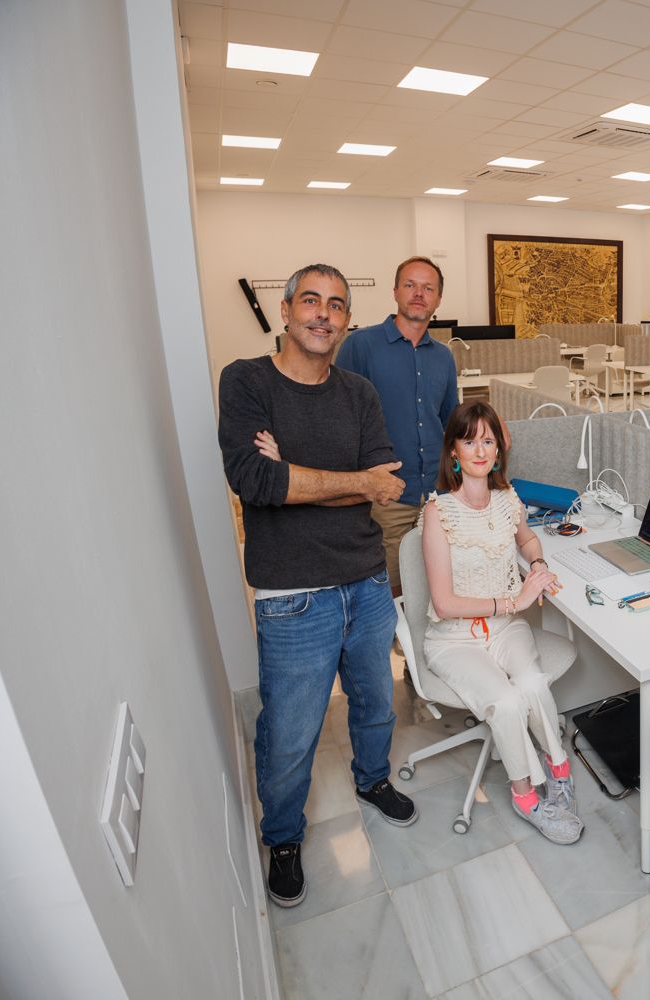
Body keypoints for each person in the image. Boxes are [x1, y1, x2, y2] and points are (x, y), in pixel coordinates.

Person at [218, 263, 418, 909]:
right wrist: (348, 482)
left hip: (363, 581)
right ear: (285, 310)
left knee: (377, 704)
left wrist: (300, 480)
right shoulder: (246, 380)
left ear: (346, 320)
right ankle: (282, 834)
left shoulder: (357, 392)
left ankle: (371, 779)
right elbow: (255, 484)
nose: (323, 314)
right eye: (311, 301)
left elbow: (384, 483)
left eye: (336, 304)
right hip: (291, 595)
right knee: (291, 730)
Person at [419, 400, 583, 844]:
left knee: (532, 684)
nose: (479, 449)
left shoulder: (507, 499)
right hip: (455, 639)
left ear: (498, 450)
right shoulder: (438, 512)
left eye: (487, 441)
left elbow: (527, 536)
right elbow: (445, 602)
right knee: (508, 702)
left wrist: (538, 563)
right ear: (453, 450)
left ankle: (557, 765)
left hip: (506, 630)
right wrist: (515, 599)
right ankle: (526, 796)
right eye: (469, 440)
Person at [335, 256, 458, 599]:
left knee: (441, 586)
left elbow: (450, 421)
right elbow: (340, 417)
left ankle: (433, 652)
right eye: (410, 285)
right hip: (390, 497)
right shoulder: (361, 346)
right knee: (393, 592)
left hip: (439, 493)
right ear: (395, 292)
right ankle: (403, 652)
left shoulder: (443, 356)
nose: (419, 294)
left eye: (428, 288)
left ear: (438, 299)